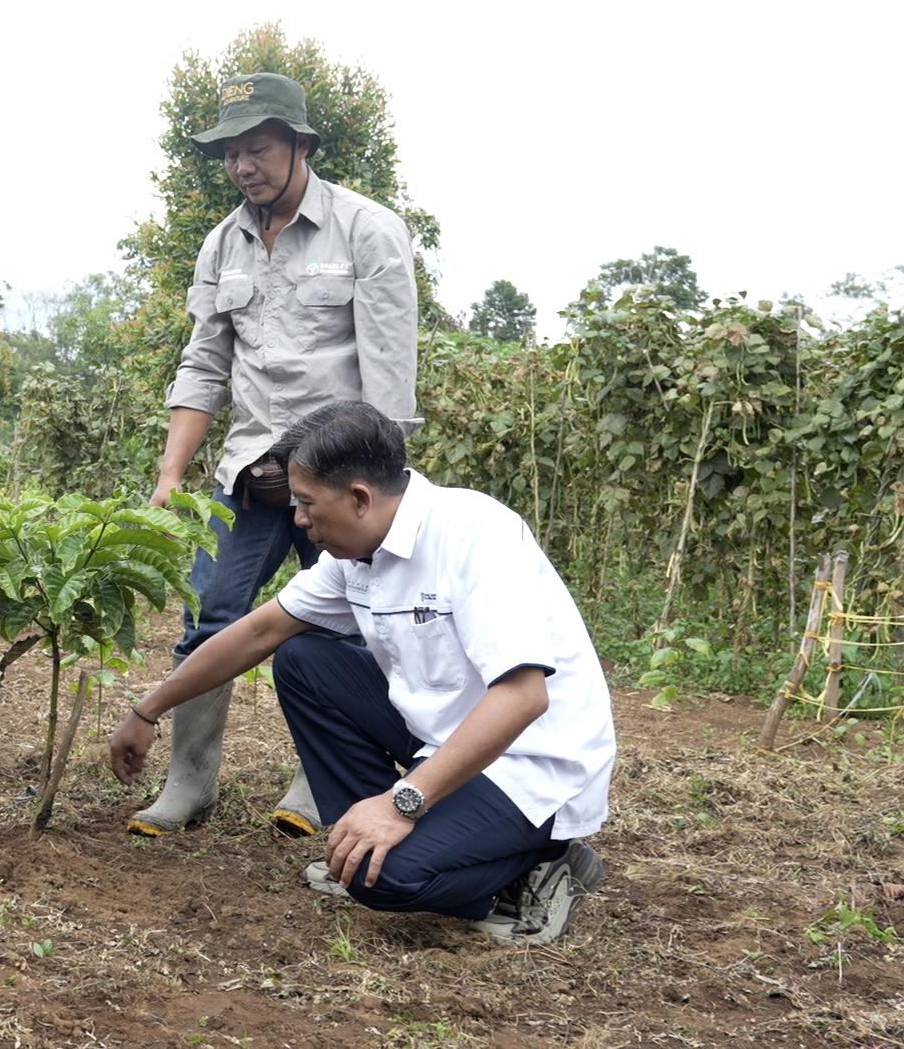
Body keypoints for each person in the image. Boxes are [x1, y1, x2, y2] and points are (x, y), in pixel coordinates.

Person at [110, 402, 617, 943]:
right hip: (450, 738)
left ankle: (537, 867)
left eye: (306, 504)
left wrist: (404, 803)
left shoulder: (474, 535)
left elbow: (523, 699)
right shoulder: (357, 555)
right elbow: (258, 633)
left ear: (359, 498)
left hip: (532, 759)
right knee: (305, 661)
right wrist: (148, 710)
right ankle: (378, 839)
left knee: (384, 881)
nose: (299, 521)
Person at [136, 71, 420, 838]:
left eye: (257, 149)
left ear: (300, 146)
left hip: (340, 477)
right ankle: (189, 784)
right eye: (230, 153)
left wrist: (361, 488)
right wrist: (170, 476)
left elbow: (389, 386)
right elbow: (204, 366)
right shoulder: (221, 244)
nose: (242, 166)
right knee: (208, 618)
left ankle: (315, 782)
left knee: (353, 631)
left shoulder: (368, 231)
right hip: (246, 476)